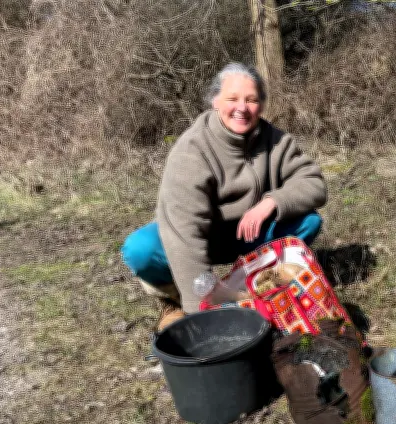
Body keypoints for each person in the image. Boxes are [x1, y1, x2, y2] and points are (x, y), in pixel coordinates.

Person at [120, 62, 327, 330]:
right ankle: (174, 300)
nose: (242, 108)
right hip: (203, 238)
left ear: (261, 105)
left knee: (308, 221)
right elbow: (185, 234)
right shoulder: (191, 150)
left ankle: (257, 287)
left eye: (251, 100)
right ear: (215, 101)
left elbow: (313, 183)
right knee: (141, 249)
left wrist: (270, 202)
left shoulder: (276, 141)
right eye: (232, 99)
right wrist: (201, 314)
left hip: (250, 235)